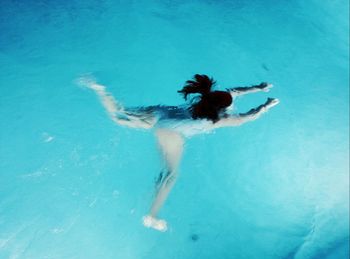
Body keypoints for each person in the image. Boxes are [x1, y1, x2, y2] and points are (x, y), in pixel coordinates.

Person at [78, 74, 279, 232]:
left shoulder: (207, 100)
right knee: (171, 174)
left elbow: (233, 91)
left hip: (163, 113)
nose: (231, 105)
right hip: (169, 130)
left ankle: (99, 89)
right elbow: (246, 117)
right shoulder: (215, 120)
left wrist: (258, 88)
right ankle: (152, 216)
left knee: (119, 116)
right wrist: (266, 105)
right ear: (221, 108)